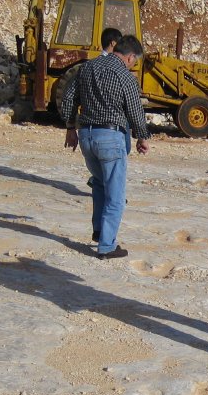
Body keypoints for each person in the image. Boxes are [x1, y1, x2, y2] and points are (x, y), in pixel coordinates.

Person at [61, 34, 151, 260]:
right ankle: (107, 246)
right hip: (110, 138)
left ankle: (99, 230)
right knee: (116, 195)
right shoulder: (125, 76)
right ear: (130, 57)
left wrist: (70, 127)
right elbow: (135, 111)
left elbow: (68, 98)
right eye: (134, 61)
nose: (133, 65)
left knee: (99, 184)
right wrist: (142, 137)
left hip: (86, 136)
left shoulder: (87, 67)